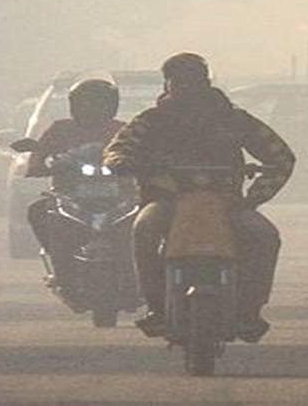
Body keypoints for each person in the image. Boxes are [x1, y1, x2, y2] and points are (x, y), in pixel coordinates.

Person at [103, 53, 295, 343]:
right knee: (144, 228)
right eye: (179, 81)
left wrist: (252, 199)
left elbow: (281, 157)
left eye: (193, 80)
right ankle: (156, 307)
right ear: (168, 85)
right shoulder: (151, 120)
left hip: (226, 203)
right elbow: (118, 148)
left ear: (206, 82)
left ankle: (249, 311)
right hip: (167, 201)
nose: (186, 87)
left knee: (265, 235)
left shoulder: (234, 120)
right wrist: (122, 162)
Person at [25, 79, 126, 290]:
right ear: (74, 105)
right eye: (87, 103)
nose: (92, 109)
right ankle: (61, 266)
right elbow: (39, 152)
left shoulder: (122, 130)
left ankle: (140, 273)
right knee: (38, 212)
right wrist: (38, 166)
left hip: (120, 197)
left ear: (111, 105)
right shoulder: (60, 129)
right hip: (69, 195)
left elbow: (140, 152)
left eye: (98, 103)